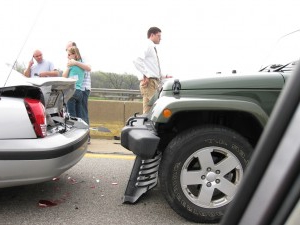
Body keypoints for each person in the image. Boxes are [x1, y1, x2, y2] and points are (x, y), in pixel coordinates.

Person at [133, 27, 170, 114]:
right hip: (150, 82)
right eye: (158, 36)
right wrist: (146, 75)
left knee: (148, 109)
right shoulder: (147, 45)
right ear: (152, 35)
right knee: (156, 107)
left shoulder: (151, 46)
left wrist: (163, 76)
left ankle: (145, 126)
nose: (160, 38)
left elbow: (151, 67)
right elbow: (136, 60)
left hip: (152, 81)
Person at [66, 41, 92, 144]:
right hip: (78, 89)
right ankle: (81, 137)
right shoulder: (71, 61)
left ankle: (86, 137)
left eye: (68, 50)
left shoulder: (82, 58)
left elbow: (89, 68)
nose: (67, 54)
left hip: (83, 88)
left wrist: (75, 63)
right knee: (78, 115)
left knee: (82, 114)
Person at [62, 46, 85, 119]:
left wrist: (68, 67)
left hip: (72, 91)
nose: (67, 56)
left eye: (69, 54)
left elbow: (64, 76)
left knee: (71, 115)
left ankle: (73, 129)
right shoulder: (82, 63)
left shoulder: (71, 65)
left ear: (75, 54)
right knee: (79, 115)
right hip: (79, 91)